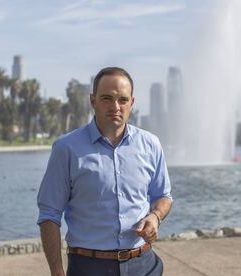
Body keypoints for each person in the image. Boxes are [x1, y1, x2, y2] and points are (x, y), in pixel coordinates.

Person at [37, 67, 173, 276]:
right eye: (107, 98)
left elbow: (163, 196)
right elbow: (49, 214)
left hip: (144, 265)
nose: (115, 107)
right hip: (89, 267)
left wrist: (155, 216)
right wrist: (57, 271)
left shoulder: (150, 144)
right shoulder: (66, 148)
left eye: (123, 100)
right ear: (93, 101)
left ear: (132, 103)